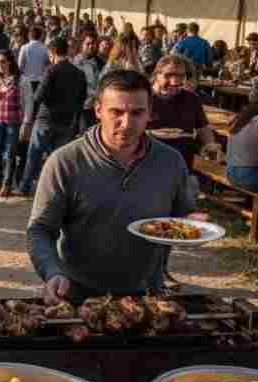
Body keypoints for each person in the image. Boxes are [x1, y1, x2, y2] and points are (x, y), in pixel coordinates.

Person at [28, 70, 198, 302]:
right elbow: (40, 230)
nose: (126, 124)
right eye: (116, 112)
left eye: (137, 113)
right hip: (78, 293)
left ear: (150, 112)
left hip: (147, 294)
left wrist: (194, 221)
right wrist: (52, 272)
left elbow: (180, 219)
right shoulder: (65, 161)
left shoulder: (170, 162)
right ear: (98, 110)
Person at [16, 38, 87, 196]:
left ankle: (25, 186)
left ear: (53, 52)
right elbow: (81, 100)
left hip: (45, 120)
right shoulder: (79, 73)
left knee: (34, 155)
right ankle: (54, 190)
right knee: (57, 160)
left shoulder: (51, 71)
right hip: (66, 122)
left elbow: (38, 96)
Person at [149, 56, 215, 170]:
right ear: (156, 74)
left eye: (181, 76)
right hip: (150, 165)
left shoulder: (191, 98)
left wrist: (210, 145)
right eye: (169, 75)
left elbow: (203, 128)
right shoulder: (143, 97)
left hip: (183, 166)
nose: (175, 82)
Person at [0, 49, 23, 196]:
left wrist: (26, 123)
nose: (0, 65)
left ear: (10, 62)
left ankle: (7, 184)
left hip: (13, 123)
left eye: (3, 62)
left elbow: (27, 103)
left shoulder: (20, 80)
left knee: (10, 154)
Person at [73, 33, 105, 131]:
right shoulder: (76, 62)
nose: (91, 46)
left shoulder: (101, 62)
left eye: (94, 44)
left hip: (98, 106)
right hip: (82, 107)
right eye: (88, 44)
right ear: (82, 45)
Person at [18, 26, 50, 93]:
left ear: (29, 35)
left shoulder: (24, 47)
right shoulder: (45, 48)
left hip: (26, 79)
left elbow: (20, 65)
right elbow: (47, 64)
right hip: (39, 80)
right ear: (40, 36)